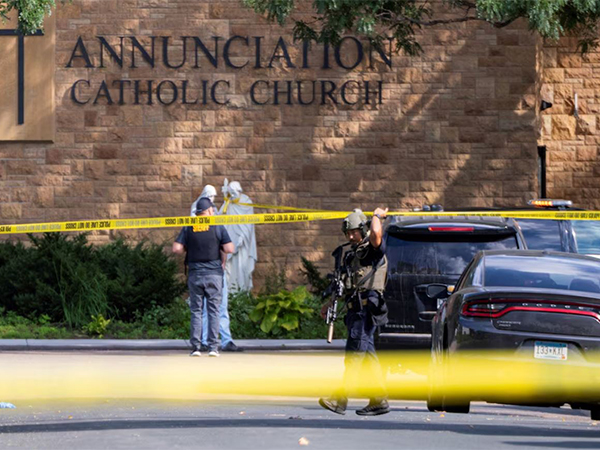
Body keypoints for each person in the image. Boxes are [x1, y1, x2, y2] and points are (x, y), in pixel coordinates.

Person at [319, 207, 390, 416]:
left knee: (354, 356)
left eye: (354, 232)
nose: (350, 236)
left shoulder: (371, 249)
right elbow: (346, 283)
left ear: (363, 229)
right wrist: (329, 305)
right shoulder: (354, 253)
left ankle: (339, 398)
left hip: (366, 309)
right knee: (367, 356)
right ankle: (379, 400)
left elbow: (377, 234)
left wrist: (377, 216)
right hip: (355, 310)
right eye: (347, 233)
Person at [173, 197, 234, 357]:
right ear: (207, 211)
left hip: (195, 274)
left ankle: (196, 348)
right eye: (212, 210)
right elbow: (229, 248)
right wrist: (219, 244)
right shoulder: (217, 226)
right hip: (214, 274)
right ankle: (213, 347)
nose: (213, 212)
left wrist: (188, 247)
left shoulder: (189, 227)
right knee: (214, 310)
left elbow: (177, 248)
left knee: (196, 311)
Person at [191, 185, 242, 353]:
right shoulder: (195, 216)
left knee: (220, 307)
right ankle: (204, 341)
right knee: (203, 309)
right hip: (202, 270)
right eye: (209, 197)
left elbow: (224, 245)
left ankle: (226, 340)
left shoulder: (216, 218)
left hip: (216, 270)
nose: (213, 201)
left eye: (214, 197)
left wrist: (223, 263)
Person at [218, 180, 257, 292]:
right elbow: (220, 218)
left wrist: (243, 237)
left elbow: (249, 224)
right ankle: (230, 292)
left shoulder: (246, 202)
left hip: (243, 243)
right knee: (229, 267)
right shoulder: (229, 202)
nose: (232, 196)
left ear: (239, 191)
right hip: (230, 240)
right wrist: (226, 199)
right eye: (231, 193)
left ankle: (242, 291)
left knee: (242, 267)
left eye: (234, 193)